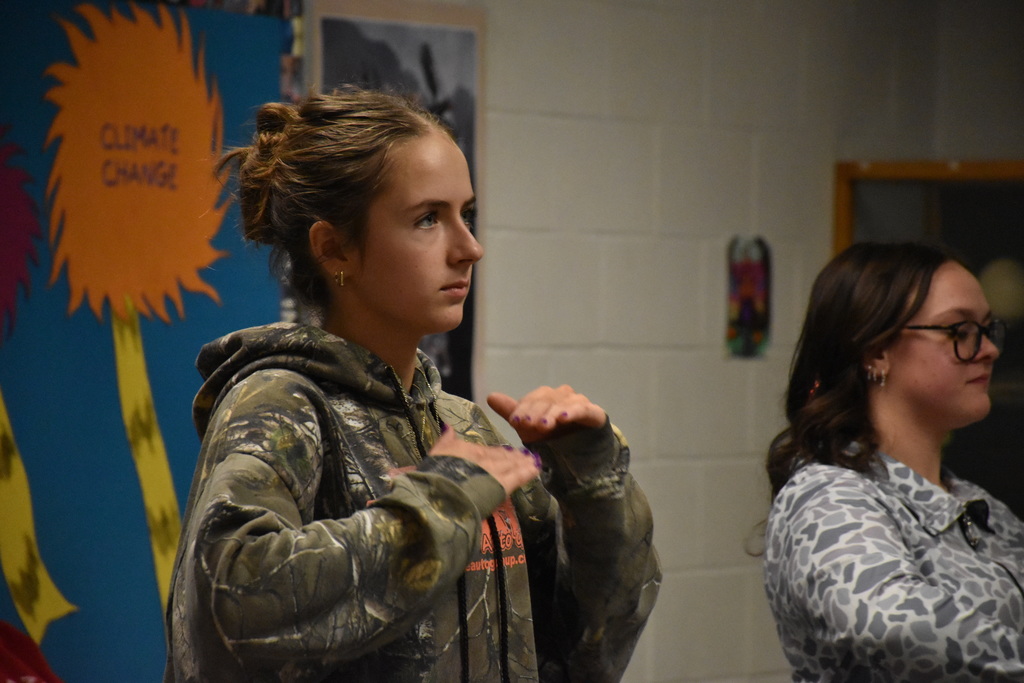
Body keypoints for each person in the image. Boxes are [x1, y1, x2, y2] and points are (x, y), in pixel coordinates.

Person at [162, 87, 660, 683]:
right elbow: (231, 609)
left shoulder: (465, 427)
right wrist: (444, 501)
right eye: (428, 219)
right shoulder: (280, 405)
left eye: (466, 214)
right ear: (334, 248)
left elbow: (588, 650)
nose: (470, 248)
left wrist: (592, 481)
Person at [763, 241, 1024, 681]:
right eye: (960, 330)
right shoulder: (828, 495)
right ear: (875, 351)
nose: (988, 350)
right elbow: (889, 624)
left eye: (988, 328)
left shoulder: (980, 508)